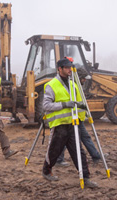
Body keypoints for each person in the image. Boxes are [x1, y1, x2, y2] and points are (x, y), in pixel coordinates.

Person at [42, 57, 98, 188]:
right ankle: (46, 170)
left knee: (78, 151)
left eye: (70, 67)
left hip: (72, 123)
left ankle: (85, 177)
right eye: (66, 68)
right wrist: (64, 104)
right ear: (59, 69)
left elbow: (74, 101)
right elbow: (46, 105)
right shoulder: (52, 84)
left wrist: (80, 106)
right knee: (54, 150)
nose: (69, 70)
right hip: (59, 124)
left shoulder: (73, 84)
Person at [56, 68, 101, 167]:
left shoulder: (78, 86)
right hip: (72, 118)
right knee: (66, 139)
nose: (85, 80)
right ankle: (58, 159)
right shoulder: (72, 86)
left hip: (78, 118)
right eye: (83, 78)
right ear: (78, 77)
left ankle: (96, 156)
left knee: (85, 137)